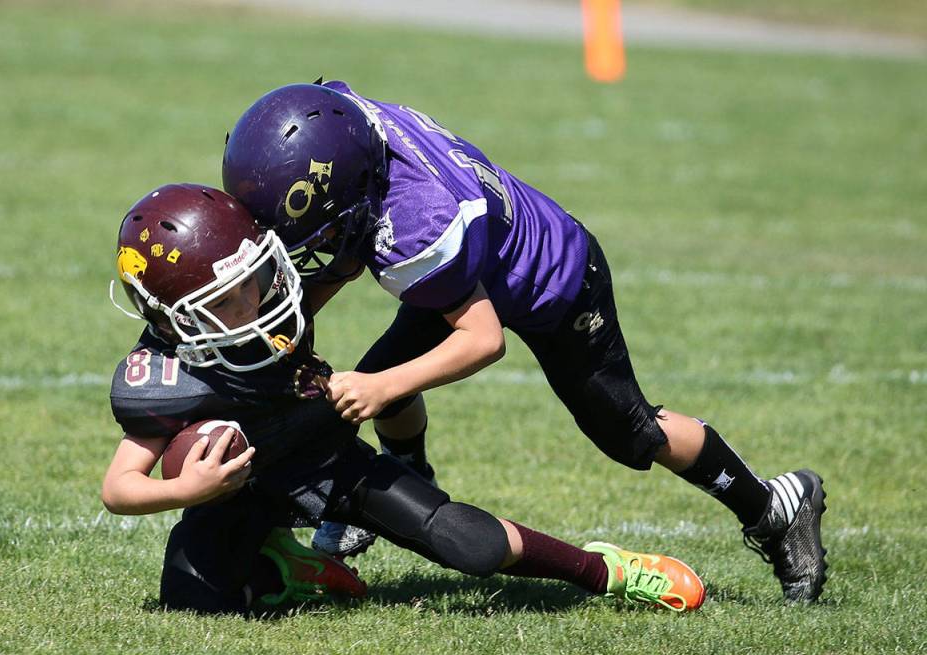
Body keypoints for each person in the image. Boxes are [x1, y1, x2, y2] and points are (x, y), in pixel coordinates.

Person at [220, 81, 828, 603]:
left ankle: (774, 507)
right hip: (482, 260)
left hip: (556, 283)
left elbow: (482, 340)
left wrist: (380, 386)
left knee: (630, 432)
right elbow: (344, 253)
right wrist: (291, 339)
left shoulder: (416, 230)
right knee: (389, 371)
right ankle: (411, 478)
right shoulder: (347, 123)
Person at [101, 183, 707, 614]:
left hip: (329, 457)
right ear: (175, 317)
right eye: (228, 298)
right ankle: (282, 565)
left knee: (471, 546)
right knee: (194, 603)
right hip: (239, 482)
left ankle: (607, 570)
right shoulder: (163, 375)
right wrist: (186, 491)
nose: (257, 302)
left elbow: (356, 258)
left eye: (256, 277)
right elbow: (119, 486)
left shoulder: (273, 296)